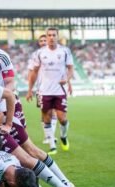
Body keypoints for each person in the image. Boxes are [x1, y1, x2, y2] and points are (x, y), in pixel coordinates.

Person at [26, 27, 74, 155]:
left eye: (54, 35)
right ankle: (52, 145)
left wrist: (67, 79)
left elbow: (70, 68)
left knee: (62, 118)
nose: (51, 37)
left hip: (59, 90)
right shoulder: (39, 53)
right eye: (49, 35)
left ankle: (63, 136)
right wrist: (30, 89)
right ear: (46, 37)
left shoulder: (65, 51)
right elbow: (34, 71)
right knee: (46, 118)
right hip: (44, 91)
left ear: (57, 36)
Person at [27, 35, 58, 145]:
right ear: (39, 43)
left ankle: (51, 137)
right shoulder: (35, 55)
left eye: (45, 40)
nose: (44, 42)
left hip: (55, 88)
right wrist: (29, 89)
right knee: (44, 113)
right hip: (41, 88)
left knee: (54, 111)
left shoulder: (56, 54)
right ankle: (48, 136)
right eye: (41, 41)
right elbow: (31, 72)